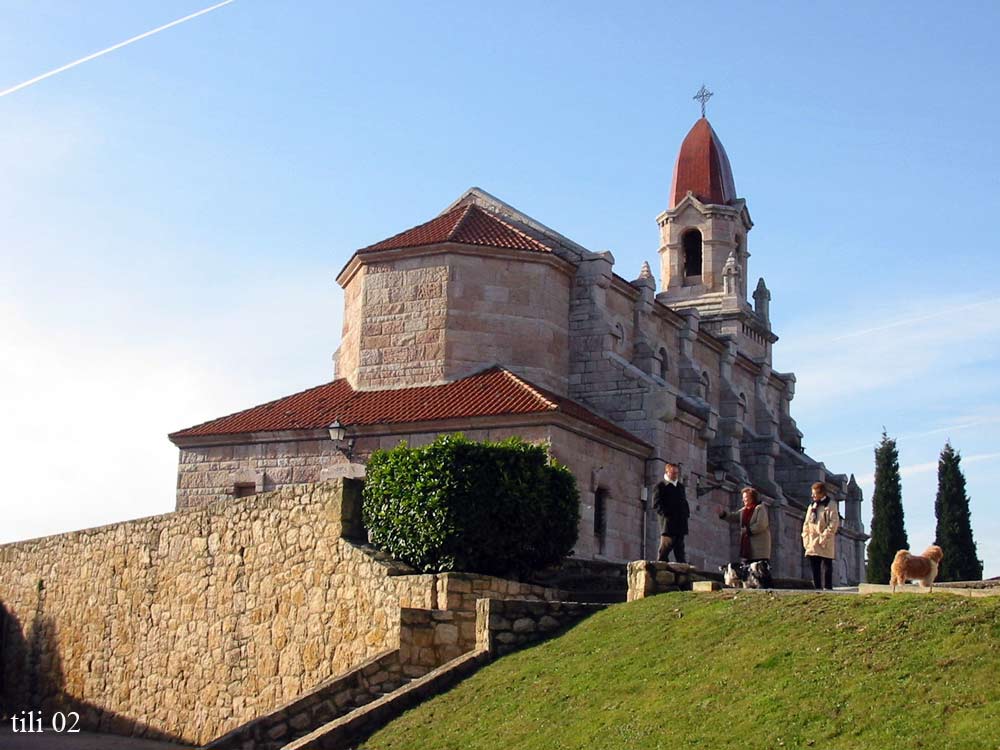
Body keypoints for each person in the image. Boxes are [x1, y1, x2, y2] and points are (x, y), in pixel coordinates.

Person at [716, 487, 771, 584]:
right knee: (747, 571)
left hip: (760, 548)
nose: (743, 499)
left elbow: (761, 525)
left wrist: (748, 530)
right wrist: (723, 514)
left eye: (746, 497)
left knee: (761, 572)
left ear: (752, 497)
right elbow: (733, 516)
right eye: (743, 497)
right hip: (748, 548)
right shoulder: (744, 510)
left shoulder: (760, 509)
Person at [802, 481, 839, 590]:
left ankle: (828, 588)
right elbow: (806, 523)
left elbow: (834, 523)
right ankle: (817, 588)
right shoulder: (811, 506)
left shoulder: (830, 505)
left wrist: (824, 536)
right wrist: (805, 537)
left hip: (824, 540)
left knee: (827, 564)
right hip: (812, 540)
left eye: (814, 493)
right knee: (814, 566)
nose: (812, 496)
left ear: (821, 493)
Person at [653, 463, 690, 563]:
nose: (675, 475)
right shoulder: (660, 486)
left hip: (680, 524)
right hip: (668, 525)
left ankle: (683, 573)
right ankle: (659, 570)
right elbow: (656, 504)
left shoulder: (680, 487)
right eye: (673, 473)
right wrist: (667, 515)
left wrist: (686, 514)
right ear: (667, 472)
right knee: (664, 550)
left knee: (680, 552)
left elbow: (684, 502)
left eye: (676, 473)